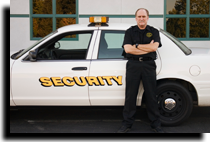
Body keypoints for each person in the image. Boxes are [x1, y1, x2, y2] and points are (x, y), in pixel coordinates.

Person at [117, 8, 164, 133]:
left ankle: (156, 125)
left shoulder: (154, 31)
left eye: (144, 16)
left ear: (147, 17)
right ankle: (127, 124)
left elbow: (154, 47)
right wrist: (146, 48)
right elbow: (127, 50)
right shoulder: (130, 32)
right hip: (133, 65)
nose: (141, 18)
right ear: (136, 18)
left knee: (151, 96)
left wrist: (136, 46)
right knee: (130, 96)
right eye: (139, 16)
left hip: (149, 65)